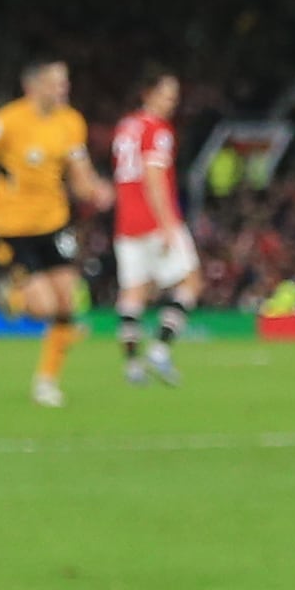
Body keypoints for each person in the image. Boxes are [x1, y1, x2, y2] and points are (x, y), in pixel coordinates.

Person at [0, 59, 100, 407]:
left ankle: (46, 382)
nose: (64, 89)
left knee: (68, 301)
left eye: (65, 82)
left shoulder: (71, 121)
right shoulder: (6, 121)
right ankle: (12, 297)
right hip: (11, 228)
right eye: (56, 83)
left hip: (53, 224)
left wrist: (96, 189)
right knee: (44, 306)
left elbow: (81, 176)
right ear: (33, 87)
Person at [105, 70, 198, 387]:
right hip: (155, 220)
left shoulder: (125, 127)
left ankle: (132, 366)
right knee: (191, 281)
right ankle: (159, 350)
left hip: (126, 222)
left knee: (134, 292)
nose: (172, 102)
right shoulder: (158, 130)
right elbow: (154, 177)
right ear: (148, 93)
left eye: (175, 96)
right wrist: (169, 223)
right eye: (167, 94)